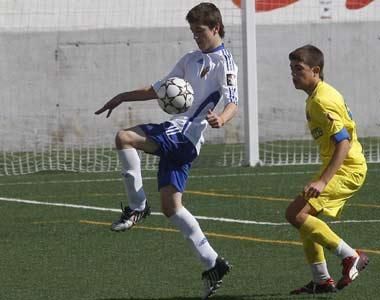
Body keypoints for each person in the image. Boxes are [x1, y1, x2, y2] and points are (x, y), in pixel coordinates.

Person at [95, 3, 238, 299]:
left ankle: (136, 207)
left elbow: (232, 100)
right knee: (172, 207)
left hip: (186, 134)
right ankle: (213, 263)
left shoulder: (226, 62)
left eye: (200, 31)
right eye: (192, 32)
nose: (196, 37)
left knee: (124, 137)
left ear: (216, 28)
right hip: (180, 137)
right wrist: (122, 96)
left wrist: (221, 118)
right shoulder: (189, 58)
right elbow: (159, 89)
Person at [286, 44, 369, 294]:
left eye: (298, 69)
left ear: (316, 70)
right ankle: (321, 280)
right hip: (343, 167)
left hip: (348, 169)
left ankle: (350, 256)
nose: (293, 74)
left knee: (296, 214)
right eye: (291, 69)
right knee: (304, 218)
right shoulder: (317, 96)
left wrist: (323, 181)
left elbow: (342, 142)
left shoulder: (322, 100)